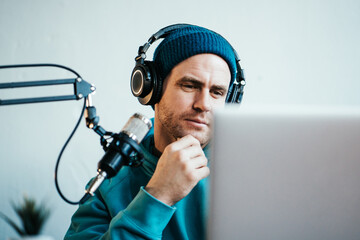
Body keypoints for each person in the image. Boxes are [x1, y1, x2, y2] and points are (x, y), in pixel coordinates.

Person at [64, 24, 244, 240]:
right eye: (189, 85)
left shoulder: (246, 175)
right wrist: (158, 195)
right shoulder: (111, 180)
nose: (204, 104)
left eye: (217, 92)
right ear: (152, 89)